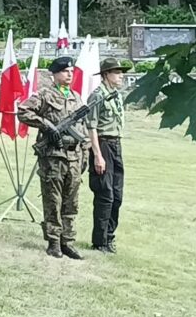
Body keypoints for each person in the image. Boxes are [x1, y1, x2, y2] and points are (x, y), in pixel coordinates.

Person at [18, 56, 87, 260]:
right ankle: (54, 242)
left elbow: (82, 129)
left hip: (74, 156)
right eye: (65, 71)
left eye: (71, 71)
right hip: (53, 157)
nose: (69, 75)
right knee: (53, 200)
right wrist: (46, 126)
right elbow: (23, 111)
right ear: (55, 74)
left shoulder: (76, 98)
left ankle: (68, 241)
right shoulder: (45, 95)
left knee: (71, 202)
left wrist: (85, 155)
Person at [87, 58, 131, 254]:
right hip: (103, 145)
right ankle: (100, 241)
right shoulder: (97, 96)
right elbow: (92, 127)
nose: (121, 76)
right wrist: (97, 155)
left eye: (121, 72)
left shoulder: (116, 95)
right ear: (106, 75)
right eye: (117, 72)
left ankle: (110, 236)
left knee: (117, 195)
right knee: (105, 195)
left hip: (116, 145)